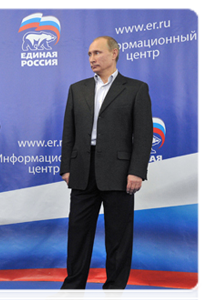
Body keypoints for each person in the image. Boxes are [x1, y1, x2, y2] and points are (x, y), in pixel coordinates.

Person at [46, 36, 153, 300]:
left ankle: (114, 291)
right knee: (78, 234)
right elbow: (68, 132)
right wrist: (66, 167)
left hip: (119, 172)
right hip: (82, 170)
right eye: (89, 54)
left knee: (118, 236)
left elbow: (143, 134)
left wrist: (137, 170)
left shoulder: (136, 89)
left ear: (114, 53)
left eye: (97, 53)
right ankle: (72, 290)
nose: (92, 58)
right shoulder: (77, 88)